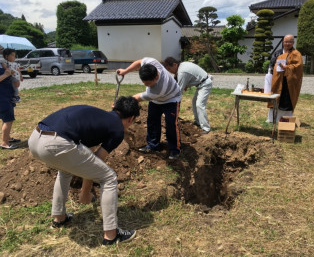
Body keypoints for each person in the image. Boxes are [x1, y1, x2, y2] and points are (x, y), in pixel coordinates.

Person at [28, 96, 140, 246]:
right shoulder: (118, 129)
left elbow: (87, 157)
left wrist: (86, 191)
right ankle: (111, 235)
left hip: (35, 138)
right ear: (131, 118)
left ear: (114, 107)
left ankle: (59, 217)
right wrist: (85, 193)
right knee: (109, 177)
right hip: (57, 143)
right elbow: (98, 159)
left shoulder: (97, 116)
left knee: (65, 170)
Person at [117, 57, 182, 160]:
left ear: (156, 77)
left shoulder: (158, 90)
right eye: (144, 82)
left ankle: (175, 150)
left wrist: (119, 105)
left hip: (171, 99)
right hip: (156, 100)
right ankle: (153, 146)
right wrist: (125, 71)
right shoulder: (151, 62)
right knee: (152, 121)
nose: (145, 85)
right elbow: (139, 62)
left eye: (148, 84)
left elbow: (137, 98)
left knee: (171, 124)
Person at [163, 57, 212, 134]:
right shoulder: (181, 66)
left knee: (199, 105)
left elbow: (178, 92)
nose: (170, 71)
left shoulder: (182, 72)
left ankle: (206, 128)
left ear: (175, 65)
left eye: (169, 69)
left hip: (205, 84)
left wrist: (170, 105)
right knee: (194, 102)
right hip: (201, 83)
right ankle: (198, 122)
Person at [267, 35, 303, 122]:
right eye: (285, 42)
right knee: (275, 98)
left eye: (289, 42)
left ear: (293, 43)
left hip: (288, 82)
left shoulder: (296, 54)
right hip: (278, 80)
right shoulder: (278, 53)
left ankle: (286, 119)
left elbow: (298, 67)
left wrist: (287, 67)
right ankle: (272, 118)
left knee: (286, 100)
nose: (287, 44)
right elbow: (271, 65)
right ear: (283, 42)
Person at [0, 45, 21, 149]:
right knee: (8, 119)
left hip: (7, 94)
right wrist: (6, 74)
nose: (1, 51)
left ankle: (7, 138)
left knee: (7, 118)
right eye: (0, 50)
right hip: (1, 96)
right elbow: (5, 76)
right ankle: (4, 143)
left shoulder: (2, 63)